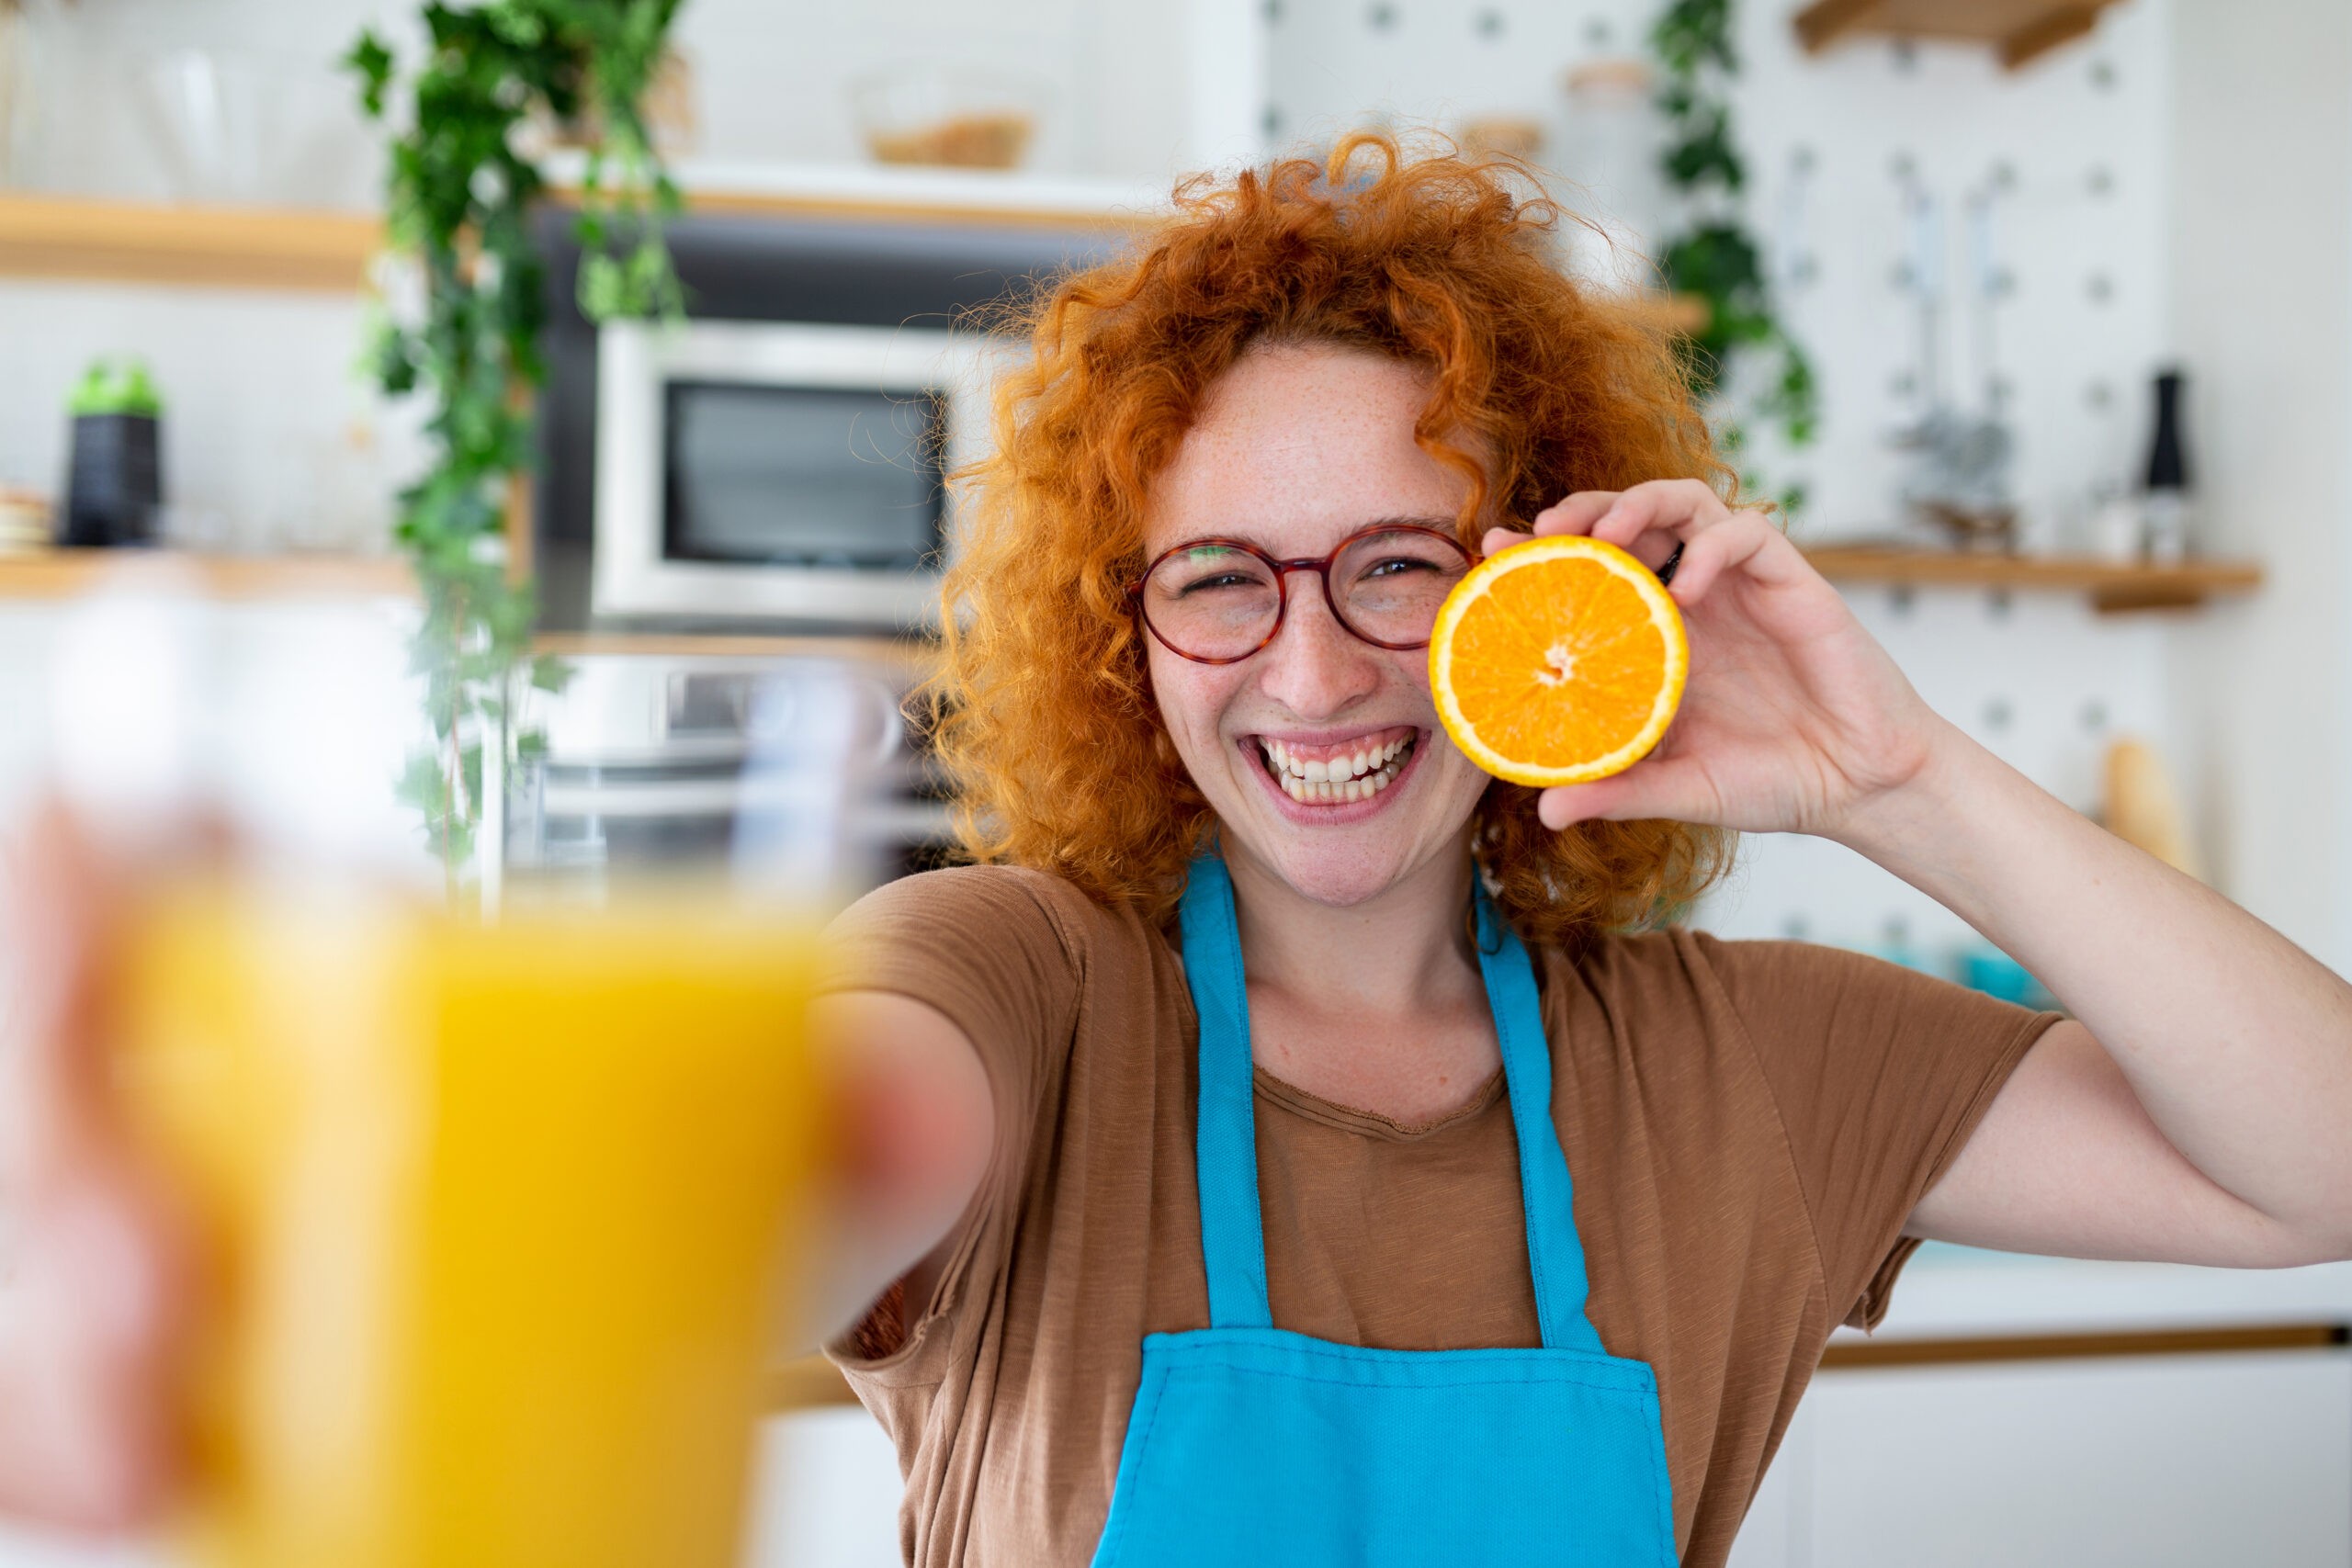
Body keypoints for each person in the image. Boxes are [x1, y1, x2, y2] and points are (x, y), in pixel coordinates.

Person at [6, 138, 2352, 1567]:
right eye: (1216, 574)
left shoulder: (1743, 1064)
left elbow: (2314, 1166)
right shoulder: (1014, 976)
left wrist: (1899, 777)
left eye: (1402, 566)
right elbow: (802, 1151)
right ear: (1124, 639)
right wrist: (326, 1218)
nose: (1310, 671)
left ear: (1550, 598)